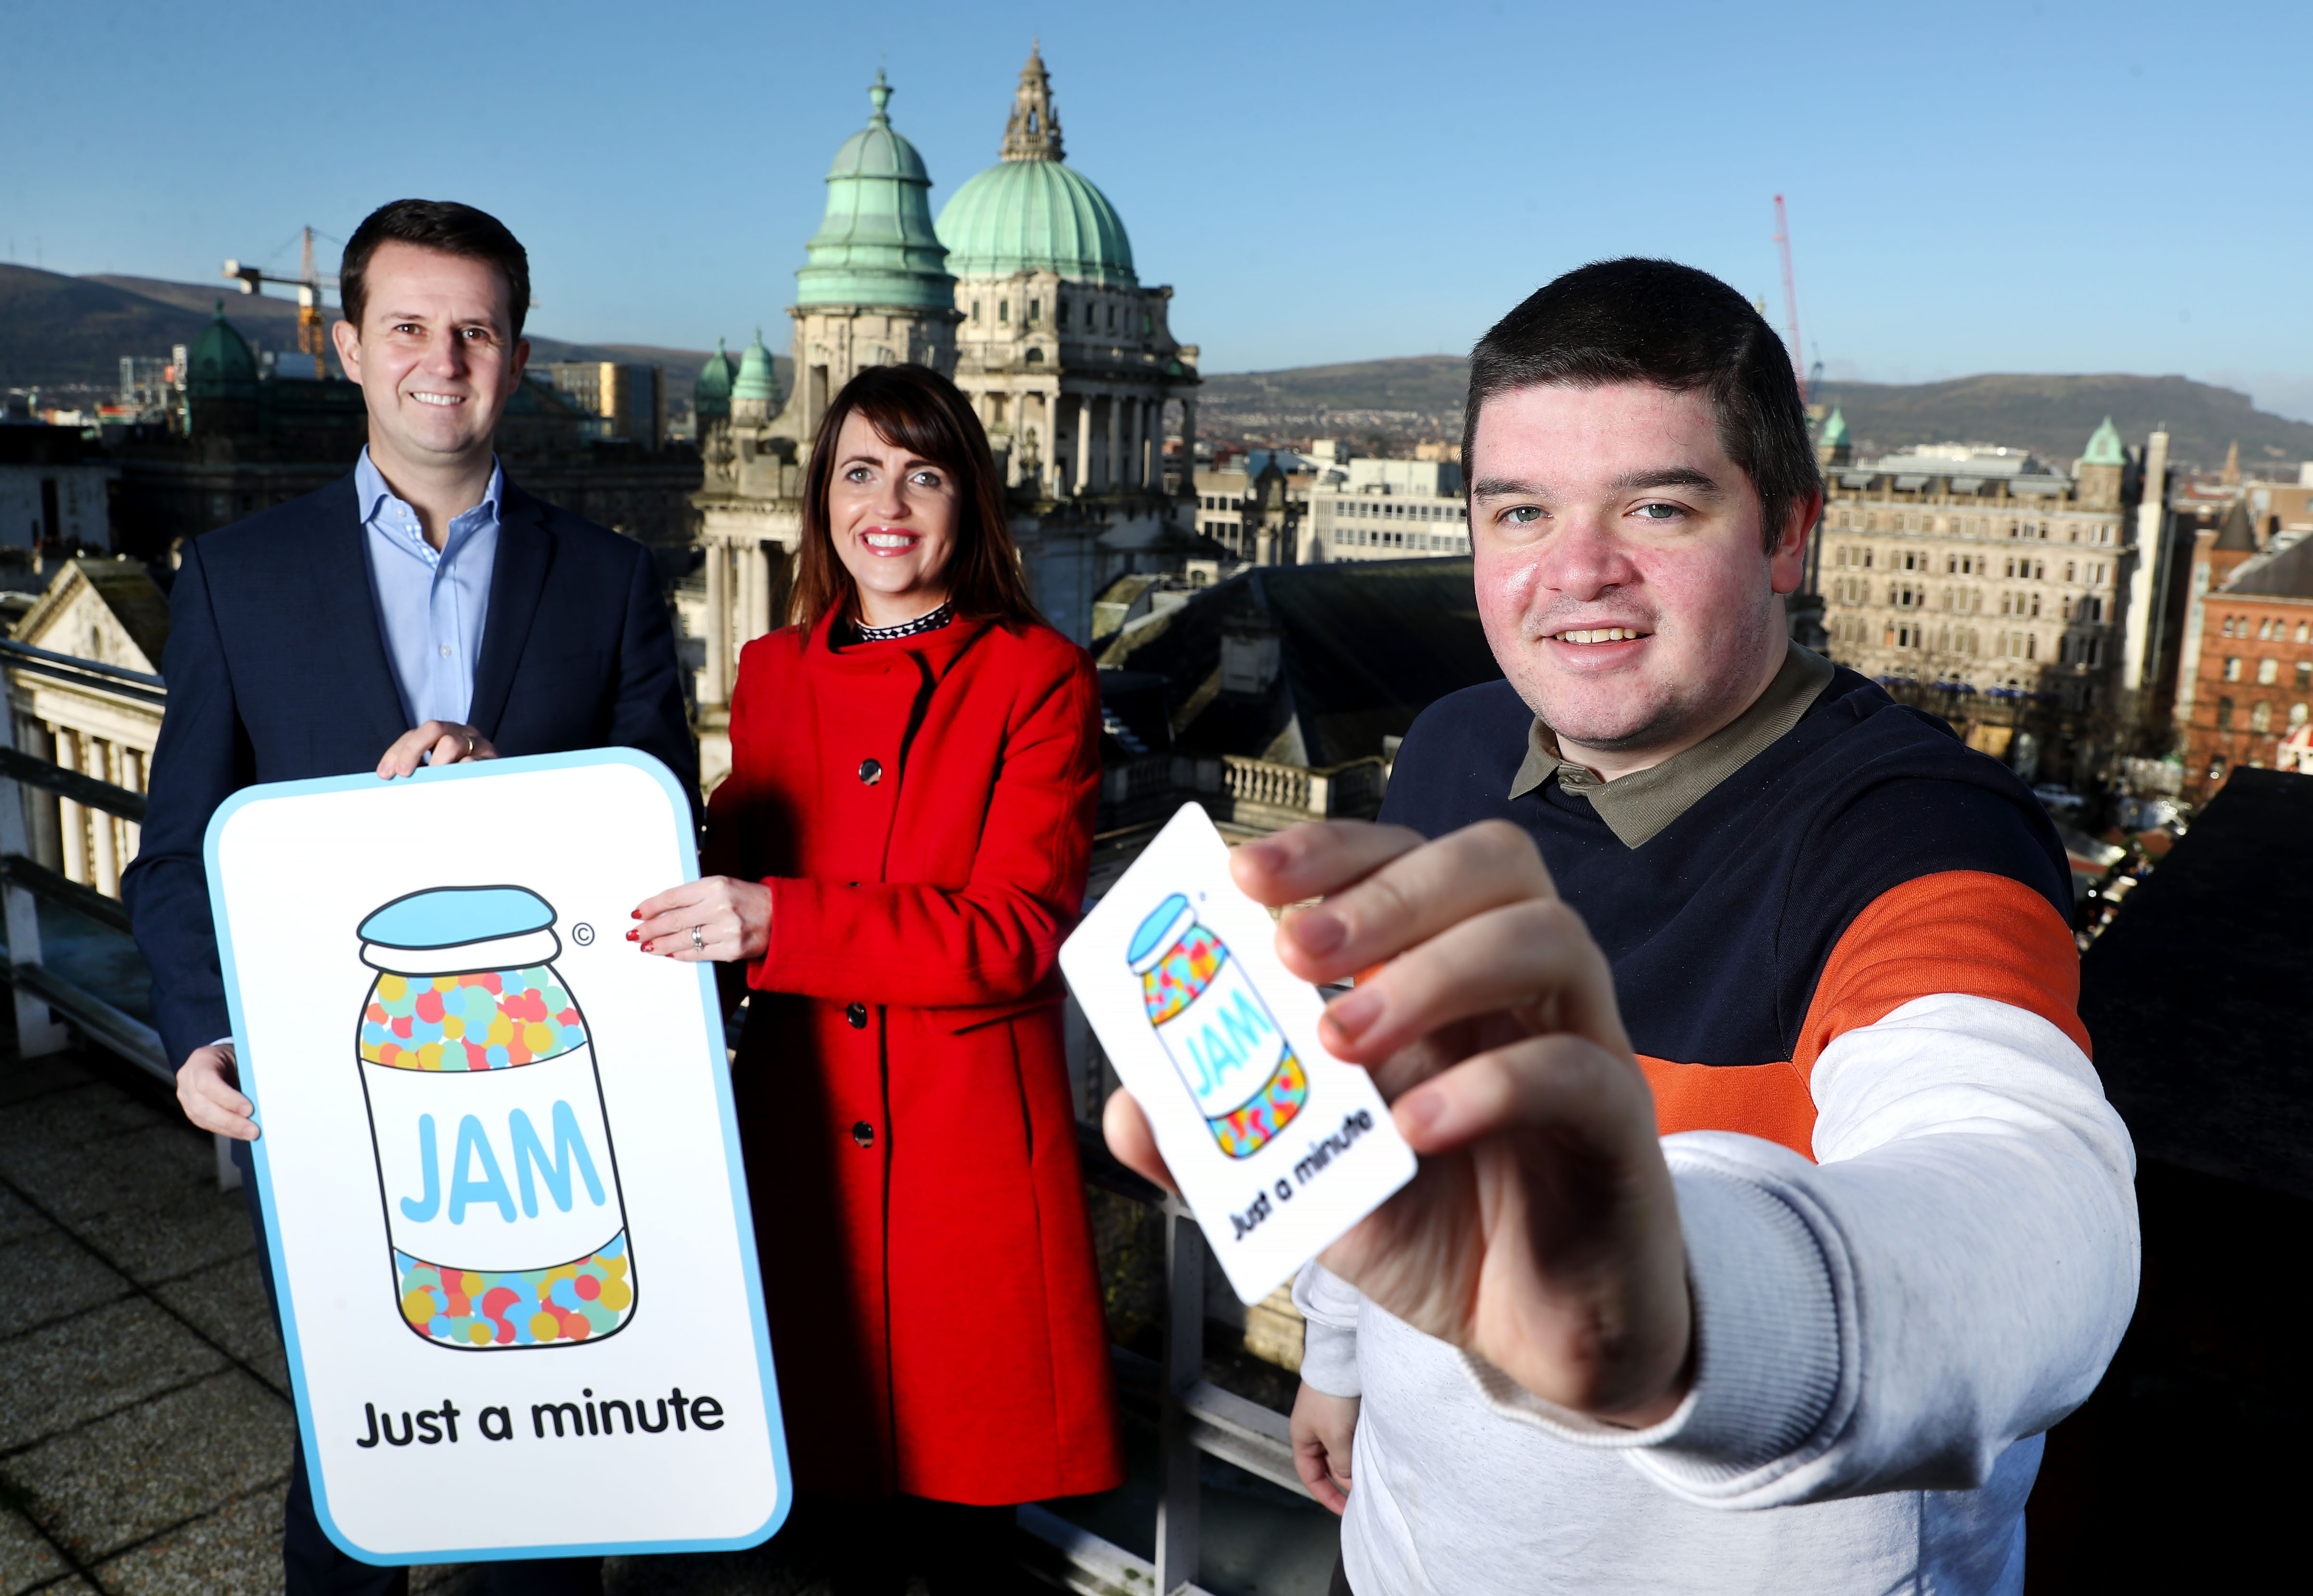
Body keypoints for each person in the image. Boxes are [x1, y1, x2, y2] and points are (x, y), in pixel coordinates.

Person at [1104, 259, 2138, 1595]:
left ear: (1784, 537)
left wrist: (1670, 1325)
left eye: (1656, 505)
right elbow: (1380, 1105)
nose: (1575, 571)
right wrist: (1344, 1360)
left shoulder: (1915, 831)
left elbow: (2024, 1215)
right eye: (1518, 510)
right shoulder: (1454, 748)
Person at [124, 198, 697, 1596]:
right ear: (347, 347)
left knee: (546, 1467)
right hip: (328, 1087)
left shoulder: (614, 580)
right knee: (354, 1454)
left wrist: (527, 798)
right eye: (409, 328)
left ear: (513, 351)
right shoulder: (235, 580)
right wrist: (198, 1030)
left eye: (478, 329)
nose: (444, 359)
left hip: (541, 1103)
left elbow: (662, 843)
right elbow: (175, 849)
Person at [631, 363, 1124, 1593]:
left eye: (923, 472)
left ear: (968, 500)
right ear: (823, 500)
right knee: (809, 1537)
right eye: (859, 471)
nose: (887, 503)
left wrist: (775, 919)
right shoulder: (773, 670)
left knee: (956, 1552)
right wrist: (500, 788)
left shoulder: (1038, 677)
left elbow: (1013, 930)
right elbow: (714, 869)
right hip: (800, 1153)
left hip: (962, 1175)